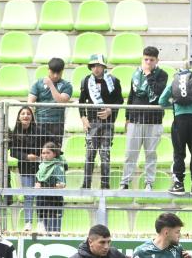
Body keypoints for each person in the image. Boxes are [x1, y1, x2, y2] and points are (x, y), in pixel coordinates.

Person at [121, 46, 168, 191]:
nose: (148, 62)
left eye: (151, 60)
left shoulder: (162, 75)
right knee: (130, 153)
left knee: (151, 154)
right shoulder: (136, 74)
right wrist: (127, 117)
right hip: (135, 119)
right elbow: (131, 96)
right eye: (145, 59)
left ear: (157, 61)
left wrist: (148, 74)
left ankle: (149, 182)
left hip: (153, 121)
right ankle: (125, 182)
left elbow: (158, 92)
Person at [79, 54, 123, 190]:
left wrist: (110, 110)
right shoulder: (85, 81)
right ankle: (86, 184)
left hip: (108, 123)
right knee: (90, 154)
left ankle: (105, 185)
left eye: (99, 66)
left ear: (104, 67)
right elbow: (81, 102)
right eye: (93, 66)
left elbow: (120, 100)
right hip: (92, 122)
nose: (96, 69)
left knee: (105, 155)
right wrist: (83, 118)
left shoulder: (114, 80)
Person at [10, 105, 43, 232]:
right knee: (28, 196)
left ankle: (40, 222)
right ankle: (28, 223)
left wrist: (41, 154)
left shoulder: (39, 130)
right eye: (23, 113)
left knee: (40, 196)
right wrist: (26, 157)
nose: (25, 116)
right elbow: (12, 152)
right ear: (19, 116)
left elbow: (49, 142)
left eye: (28, 113)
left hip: (40, 169)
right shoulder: (15, 132)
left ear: (32, 117)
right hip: (25, 168)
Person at [28, 57, 72, 146]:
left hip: (57, 123)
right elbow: (30, 102)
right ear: (48, 70)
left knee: (55, 150)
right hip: (40, 122)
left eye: (58, 73)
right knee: (39, 149)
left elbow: (61, 101)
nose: (55, 75)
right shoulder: (38, 83)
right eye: (53, 72)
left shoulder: (67, 85)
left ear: (62, 71)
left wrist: (51, 85)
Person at [35, 141, 66, 234]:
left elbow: (62, 184)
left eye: (48, 153)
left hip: (55, 199)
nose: (45, 155)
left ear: (54, 154)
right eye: (43, 153)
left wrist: (47, 186)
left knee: (54, 230)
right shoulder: (41, 166)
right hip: (42, 199)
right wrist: (37, 184)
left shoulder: (58, 166)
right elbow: (38, 181)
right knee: (42, 231)